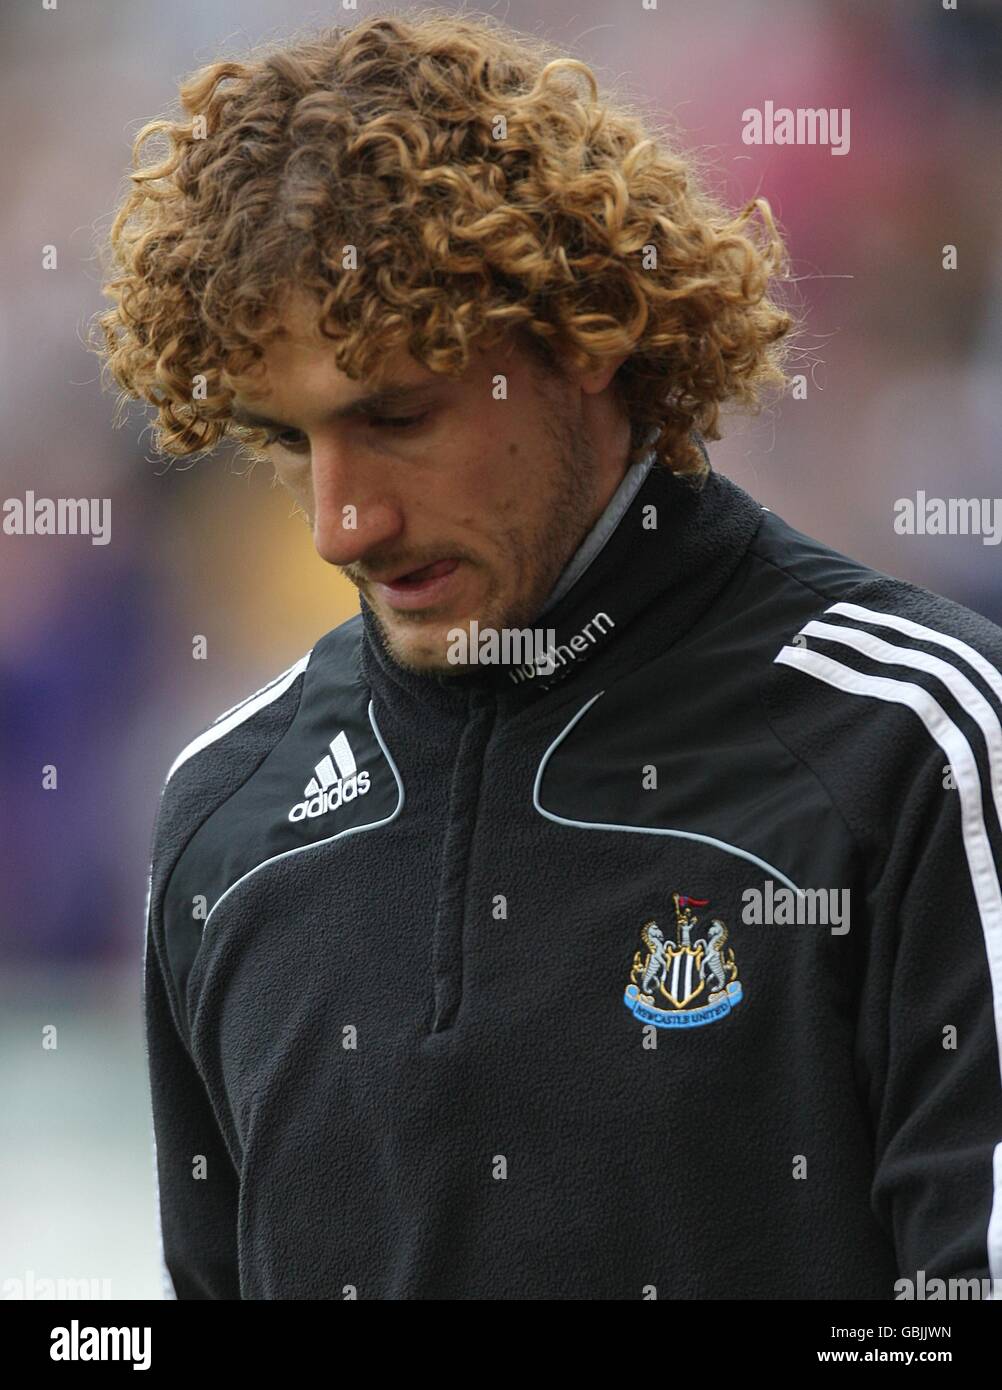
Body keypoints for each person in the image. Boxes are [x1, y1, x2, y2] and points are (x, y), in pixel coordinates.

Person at [92, 11, 1002, 1300]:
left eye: (397, 416)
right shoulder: (224, 819)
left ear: (588, 334)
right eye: (286, 442)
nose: (341, 525)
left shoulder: (920, 743)